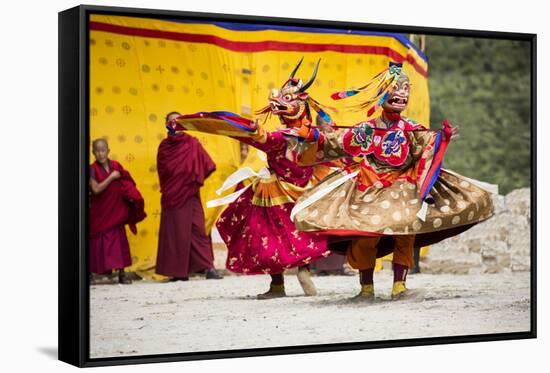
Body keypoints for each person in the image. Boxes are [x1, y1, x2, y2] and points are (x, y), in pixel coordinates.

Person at [284, 62, 494, 301]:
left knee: (405, 230)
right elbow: (337, 142)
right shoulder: (367, 129)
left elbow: (427, 147)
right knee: (366, 236)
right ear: (381, 94)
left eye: (406, 88)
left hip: (403, 187)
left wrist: (441, 138)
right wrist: (310, 134)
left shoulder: (412, 129)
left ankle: (399, 287)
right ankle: (366, 289)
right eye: (396, 88)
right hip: (369, 186)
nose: (402, 93)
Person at [170, 58, 337, 299]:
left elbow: (257, 137)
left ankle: (278, 284)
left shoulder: (281, 138)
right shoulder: (314, 135)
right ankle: (303, 269)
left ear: (300, 105)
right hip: (306, 191)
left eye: (288, 100)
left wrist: (224, 126)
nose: (279, 103)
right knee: (302, 231)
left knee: (269, 235)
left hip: (276, 193)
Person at [155, 112, 223, 281]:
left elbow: (207, 165)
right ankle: (178, 272)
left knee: (198, 230)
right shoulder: (164, 148)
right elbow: (164, 172)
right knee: (176, 233)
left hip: (191, 195)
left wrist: (193, 180)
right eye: (172, 122)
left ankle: (208, 268)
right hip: (173, 196)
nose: (176, 125)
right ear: (167, 125)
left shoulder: (192, 143)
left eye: (179, 122)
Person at [89, 138, 146, 284]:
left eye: (103, 150)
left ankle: (122, 274)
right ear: (93, 152)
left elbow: (127, 182)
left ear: (108, 151)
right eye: (97, 151)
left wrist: (132, 197)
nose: (101, 154)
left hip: (116, 210)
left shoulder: (116, 165)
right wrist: (111, 177)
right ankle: (90, 274)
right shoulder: (92, 169)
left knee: (119, 241)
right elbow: (95, 189)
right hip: (100, 211)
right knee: (96, 242)